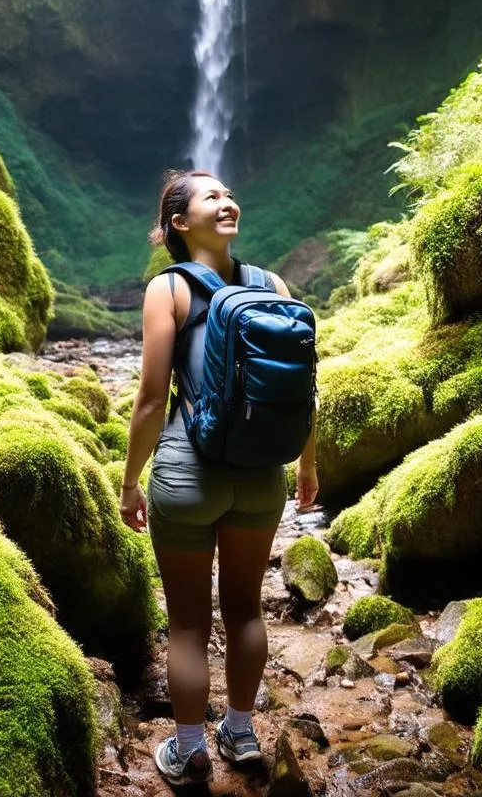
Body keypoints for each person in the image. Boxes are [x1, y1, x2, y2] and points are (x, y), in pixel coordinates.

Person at [118, 168, 319, 787]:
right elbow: (302, 389)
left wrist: (130, 482)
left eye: (229, 194)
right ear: (178, 222)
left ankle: (189, 750)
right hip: (260, 475)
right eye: (212, 196)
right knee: (245, 610)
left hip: (187, 473)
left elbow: (153, 400)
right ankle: (239, 730)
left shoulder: (167, 290)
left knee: (186, 621)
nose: (228, 201)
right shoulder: (274, 285)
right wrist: (307, 465)